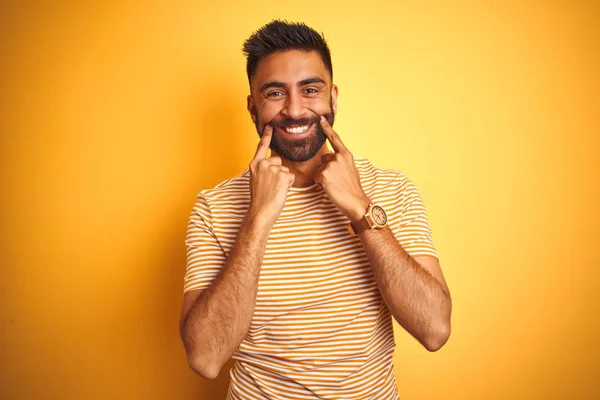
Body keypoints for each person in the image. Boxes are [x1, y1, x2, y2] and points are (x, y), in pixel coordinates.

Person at [180, 20, 452, 400]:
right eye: (275, 93)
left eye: (310, 89)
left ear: (333, 98)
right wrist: (257, 221)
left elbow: (435, 329)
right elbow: (206, 358)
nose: (294, 110)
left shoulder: (390, 189)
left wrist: (361, 209)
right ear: (252, 106)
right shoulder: (215, 207)